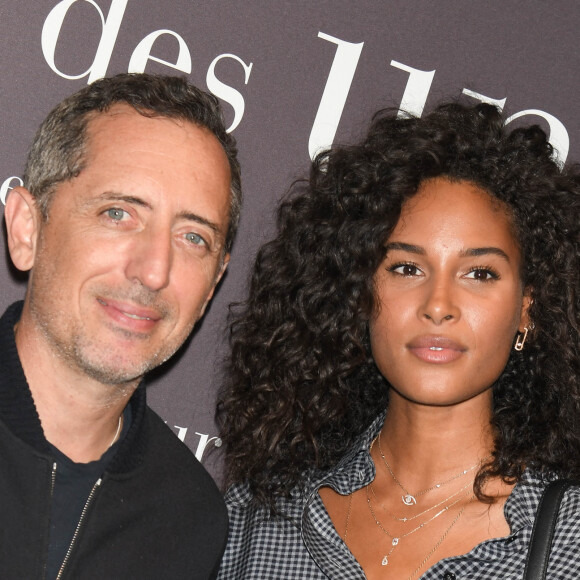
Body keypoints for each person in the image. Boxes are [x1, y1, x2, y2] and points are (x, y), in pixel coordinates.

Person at [217, 102, 580, 579]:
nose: (438, 304)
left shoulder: (568, 539)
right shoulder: (259, 515)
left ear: (527, 309)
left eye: (480, 273)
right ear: (360, 289)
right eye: (407, 268)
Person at [0, 73, 241, 579]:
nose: (154, 270)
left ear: (214, 285)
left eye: (193, 237)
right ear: (27, 228)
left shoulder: (190, 520)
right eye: (118, 213)